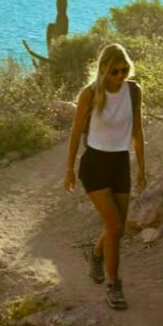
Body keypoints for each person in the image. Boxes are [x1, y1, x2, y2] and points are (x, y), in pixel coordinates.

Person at [65, 43, 147, 310]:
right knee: (113, 227)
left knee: (118, 229)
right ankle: (114, 285)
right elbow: (76, 132)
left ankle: (96, 253)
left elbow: (138, 131)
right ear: (103, 70)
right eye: (115, 71)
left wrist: (142, 169)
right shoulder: (89, 94)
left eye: (124, 70)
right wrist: (68, 169)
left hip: (120, 163)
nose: (120, 76)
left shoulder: (133, 91)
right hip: (95, 165)